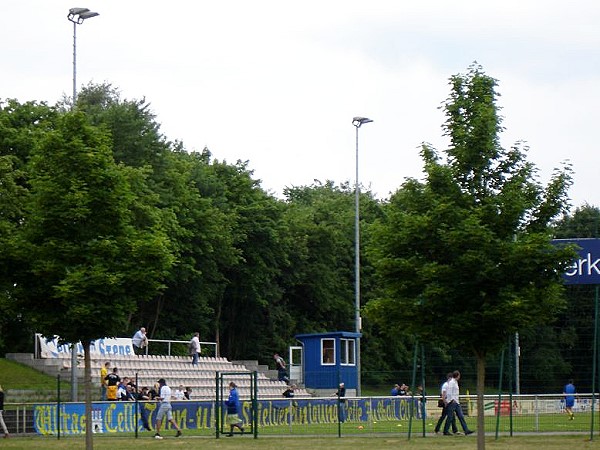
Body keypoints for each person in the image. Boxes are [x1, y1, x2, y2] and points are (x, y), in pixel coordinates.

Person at [443, 370, 474, 436]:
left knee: (461, 416)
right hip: (452, 402)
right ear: (458, 375)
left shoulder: (455, 382)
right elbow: (449, 392)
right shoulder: (452, 382)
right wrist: (451, 400)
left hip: (456, 402)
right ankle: (445, 431)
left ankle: (466, 430)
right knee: (450, 417)